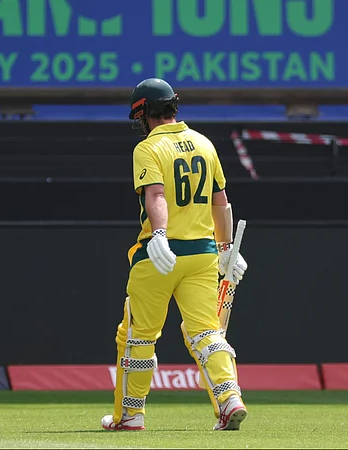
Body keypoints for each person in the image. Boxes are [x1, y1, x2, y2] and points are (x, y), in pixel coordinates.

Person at [101, 78, 249, 432]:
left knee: (138, 334)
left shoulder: (148, 148)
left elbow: (156, 195)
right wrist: (226, 248)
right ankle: (229, 399)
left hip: (159, 255)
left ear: (144, 113)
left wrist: (160, 234)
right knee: (207, 332)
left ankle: (130, 416)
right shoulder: (204, 143)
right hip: (202, 254)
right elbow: (221, 202)